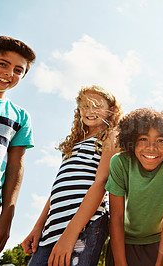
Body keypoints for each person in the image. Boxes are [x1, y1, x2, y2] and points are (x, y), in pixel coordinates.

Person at [22, 85, 123, 265]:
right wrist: (38, 227)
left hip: (85, 225)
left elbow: (101, 182)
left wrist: (71, 233)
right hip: (53, 227)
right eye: (85, 106)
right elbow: (57, 189)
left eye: (97, 105)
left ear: (111, 111)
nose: (90, 110)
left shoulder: (111, 136)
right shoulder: (74, 144)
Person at [105, 108, 163, 266]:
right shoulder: (120, 162)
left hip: (157, 242)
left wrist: (160, 262)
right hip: (123, 241)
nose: (151, 147)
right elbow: (115, 219)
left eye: (161, 140)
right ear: (132, 141)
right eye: (143, 139)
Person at [0, 36, 36, 255]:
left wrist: (7, 215)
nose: (9, 74)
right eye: (2, 63)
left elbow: (15, 167)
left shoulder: (20, 117)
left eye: (18, 70)